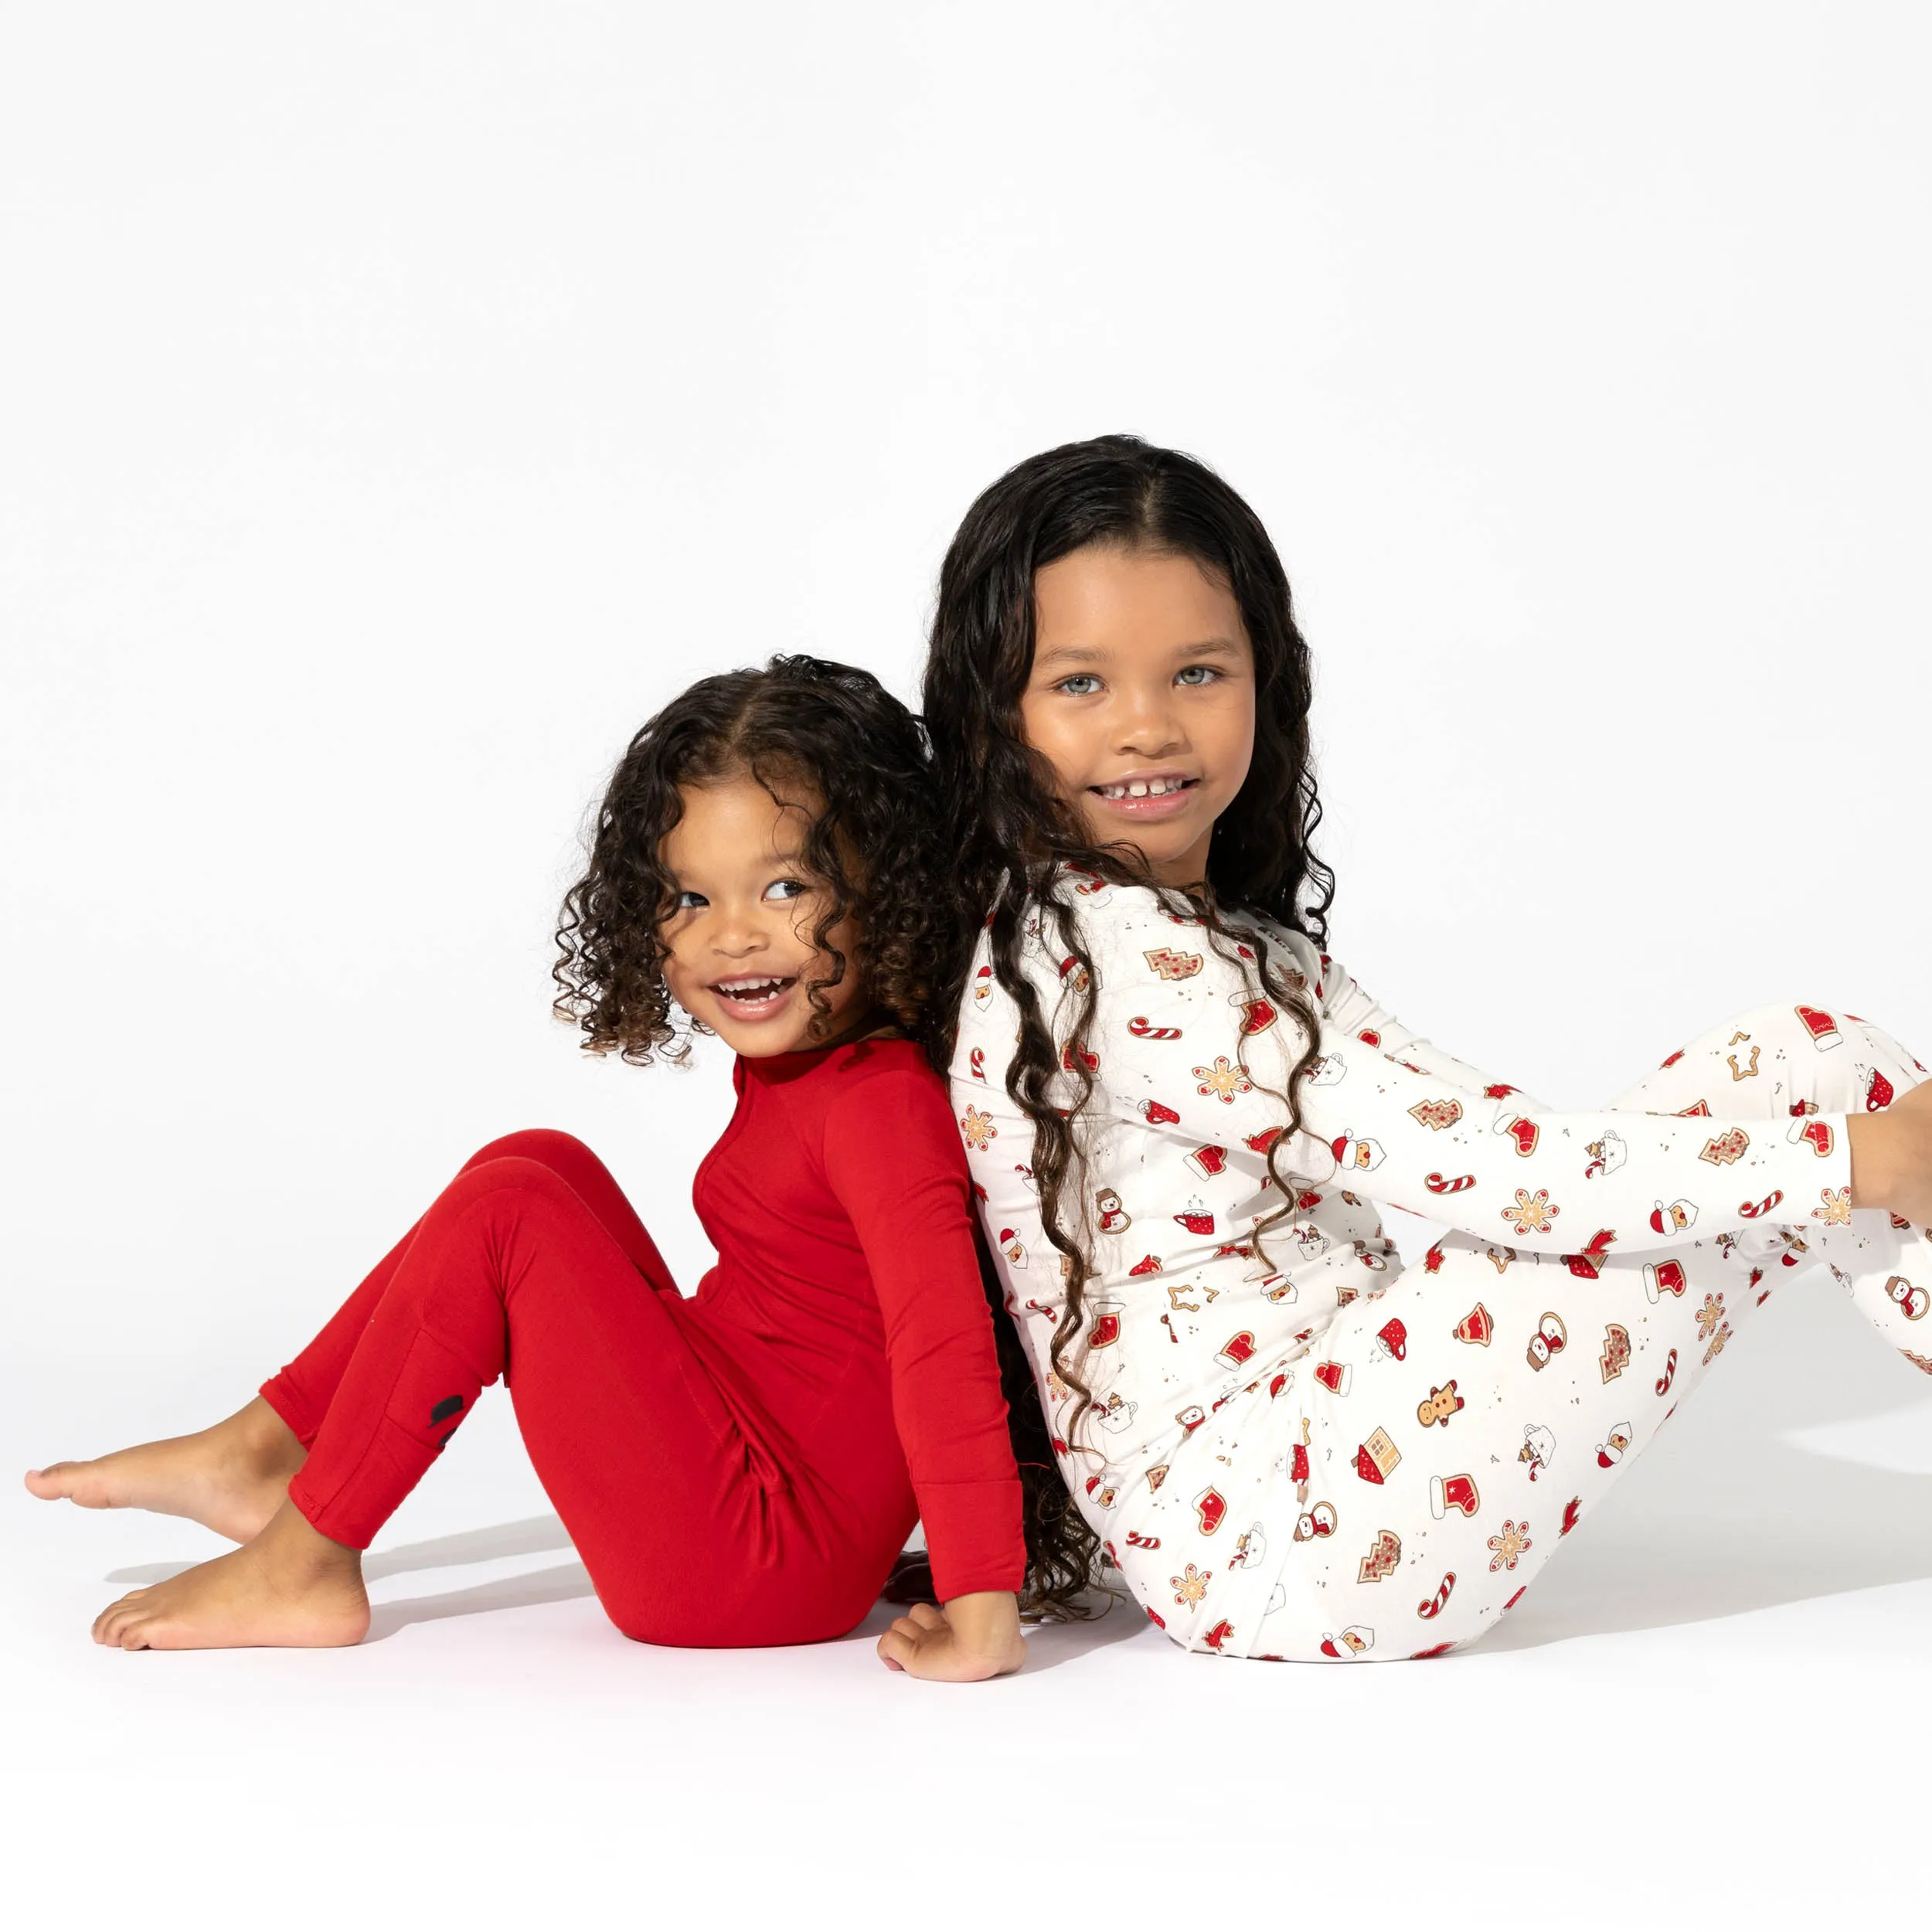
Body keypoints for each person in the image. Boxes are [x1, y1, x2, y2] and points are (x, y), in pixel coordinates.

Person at [916, 433, 1932, 1662]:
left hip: (1333, 1465)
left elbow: (1485, 1133)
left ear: (1266, 682)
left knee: (1810, 1079)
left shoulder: (1212, 942)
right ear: (993, 712)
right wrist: (1851, 1162)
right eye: (1081, 683)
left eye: (1198, 672)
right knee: (1809, 1069)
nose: (1148, 726)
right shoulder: (1116, 963)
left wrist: (1839, 1159)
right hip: (1293, 1538)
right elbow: (1501, 1168)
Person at [27, 655, 1069, 1679]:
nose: (732, 937)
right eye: (688, 898)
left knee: (514, 1210)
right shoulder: (817, 1065)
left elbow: (945, 1347)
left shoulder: (881, 1106)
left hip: (758, 1564)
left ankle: (307, 1559)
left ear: (893, 890)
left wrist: (980, 1603)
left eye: (785, 887)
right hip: (753, 1465)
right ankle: (270, 1447)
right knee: (538, 1163)